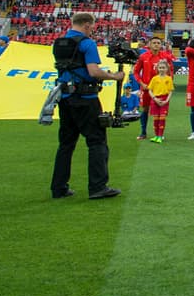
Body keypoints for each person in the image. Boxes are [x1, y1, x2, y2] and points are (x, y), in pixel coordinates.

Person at [50, 12, 125, 201]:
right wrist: (113, 76)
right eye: (91, 27)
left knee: (66, 144)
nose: (92, 30)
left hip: (65, 96)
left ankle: (58, 187)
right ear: (85, 25)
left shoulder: (59, 43)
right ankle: (98, 186)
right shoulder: (87, 44)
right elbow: (93, 71)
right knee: (97, 141)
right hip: (86, 97)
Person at [133, 36, 174, 141]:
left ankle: (159, 134)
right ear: (150, 44)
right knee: (145, 109)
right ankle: (143, 132)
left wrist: (168, 83)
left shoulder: (166, 57)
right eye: (154, 43)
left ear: (161, 45)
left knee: (161, 111)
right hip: (147, 89)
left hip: (161, 90)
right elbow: (136, 72)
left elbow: (171, 71)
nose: (156, 44)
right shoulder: (143, 57)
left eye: (158, 43)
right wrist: (141, 83)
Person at [146, 59, 174, 142]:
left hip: (164, 100)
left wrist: (166, 101)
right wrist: (154, 98)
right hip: (155, 100)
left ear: (167, 69)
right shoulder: (154, 79)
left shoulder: (169, 79)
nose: (162, 69)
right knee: (156, 119)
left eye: (163, 68)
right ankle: (156, 135)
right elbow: (150, 90)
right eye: (160, 67)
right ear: (157, 68)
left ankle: (160, 136)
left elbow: (170, 91)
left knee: (162, 118)